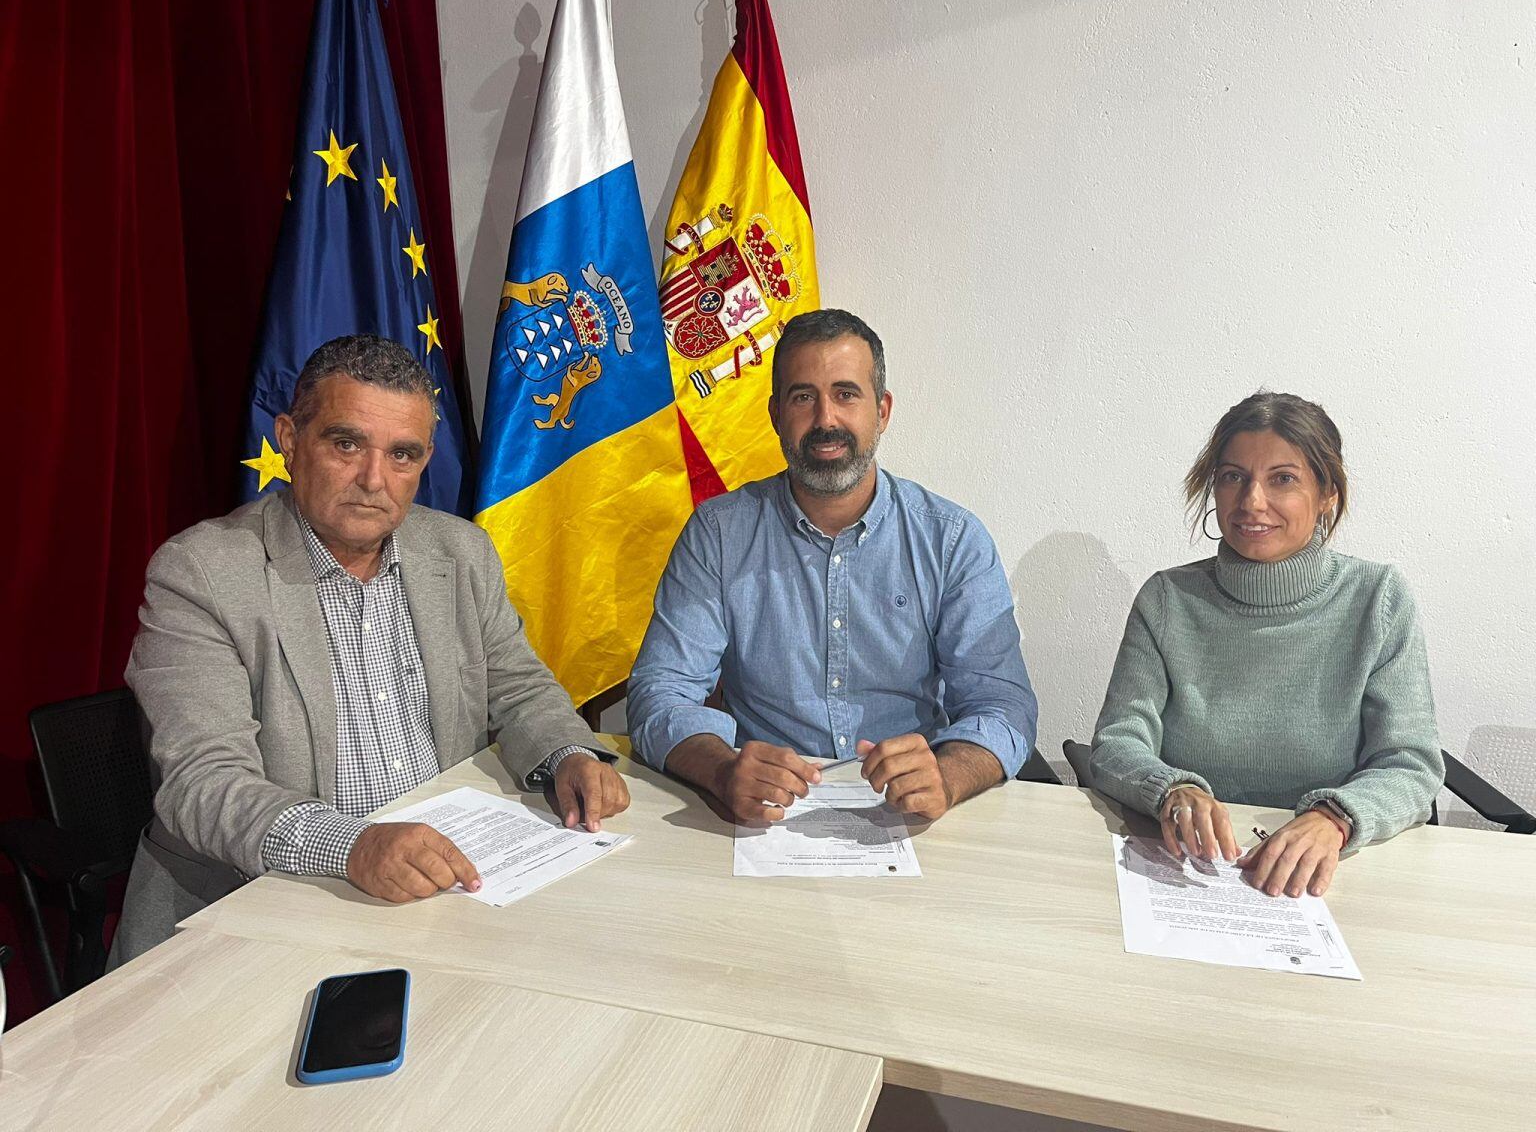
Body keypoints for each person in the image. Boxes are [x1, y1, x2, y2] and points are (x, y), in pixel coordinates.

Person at [113, 335, 628, 962]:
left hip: (442, 891)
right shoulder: (201, 572)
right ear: (289, 439)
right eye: (346, 443)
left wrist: (567, 752)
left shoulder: (460, 553)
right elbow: (204, 782)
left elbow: (517, 687)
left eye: (403, 455)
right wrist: (352, 846)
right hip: (253, 905)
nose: (373, 480)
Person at [628, 308, 1037, 824]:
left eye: (846, 394)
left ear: (882, 411)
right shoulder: (719, 534)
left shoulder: (951, 539)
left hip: (913, 813)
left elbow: (1004, 707)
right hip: (765, 814)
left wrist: (947, 777)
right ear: (776, 413)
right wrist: (721, 770)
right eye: (804, 397)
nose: (825, 420)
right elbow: (659, 693)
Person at [1089, 391, 1443, 896]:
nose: (1252, 501)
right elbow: (1118, 742)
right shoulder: (1168, 599)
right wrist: (1171, 789)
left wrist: (1336, 818)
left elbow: (1410, 762)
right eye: (1233, 476)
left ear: (1327, 495)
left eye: (1283, 479)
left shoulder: (1378, 599)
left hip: (1331, 875)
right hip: (1190, 871)